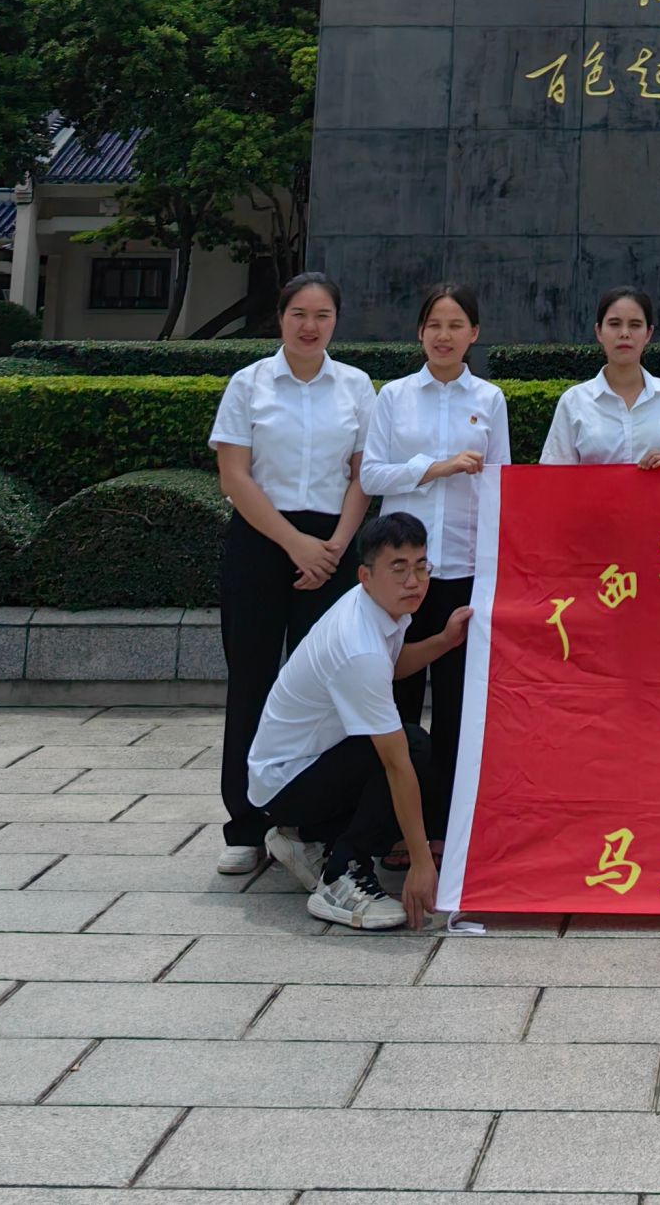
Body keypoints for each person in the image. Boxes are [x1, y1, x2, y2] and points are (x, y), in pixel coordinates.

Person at [208, 270, 374, 874]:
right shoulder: (248, 383)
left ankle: (310, 821)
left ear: (336, 321)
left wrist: (333, 547)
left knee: (321, 690)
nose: (310, 326)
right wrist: (293, 543)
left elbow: (362, 475)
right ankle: (246, 825)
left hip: (332, 546)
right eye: (299, 314)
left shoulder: (356, 386)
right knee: (252, 681)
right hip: (260, 541)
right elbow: (234, 477)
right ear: (280, 318)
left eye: (322, 315)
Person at [249, 509, 472, 932]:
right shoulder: (358, 644)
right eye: (398, 569)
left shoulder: (376, 608)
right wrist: (421, 861)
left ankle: (305, 839)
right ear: (365, 576)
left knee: (408, 751)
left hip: (297, 768)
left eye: (421, 566)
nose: (413, 581)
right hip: (286, 783)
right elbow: (396, 762)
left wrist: (444, 641)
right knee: (412, 751)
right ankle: (340, 877)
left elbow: (392, 665)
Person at [359, 285, 509, 814]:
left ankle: (445, 822)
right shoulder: (394, 396)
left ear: (474, 333)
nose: (444, 336)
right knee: (395, 700)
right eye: (434, 325)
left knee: (456, 703)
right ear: (420, 332)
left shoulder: (489, 399)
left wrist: (495, 568)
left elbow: (499, 485)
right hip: (401, 575)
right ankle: (391, 821)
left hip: (463, 569)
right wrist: (437, 468)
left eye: (456, 325)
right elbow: (372, 474)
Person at [541, 288, 660, 466]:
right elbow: (554, 475)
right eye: (614, 324)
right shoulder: (573, 401)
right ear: (599, 331)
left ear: (648, 333)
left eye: (635, 325)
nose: (624, 333)